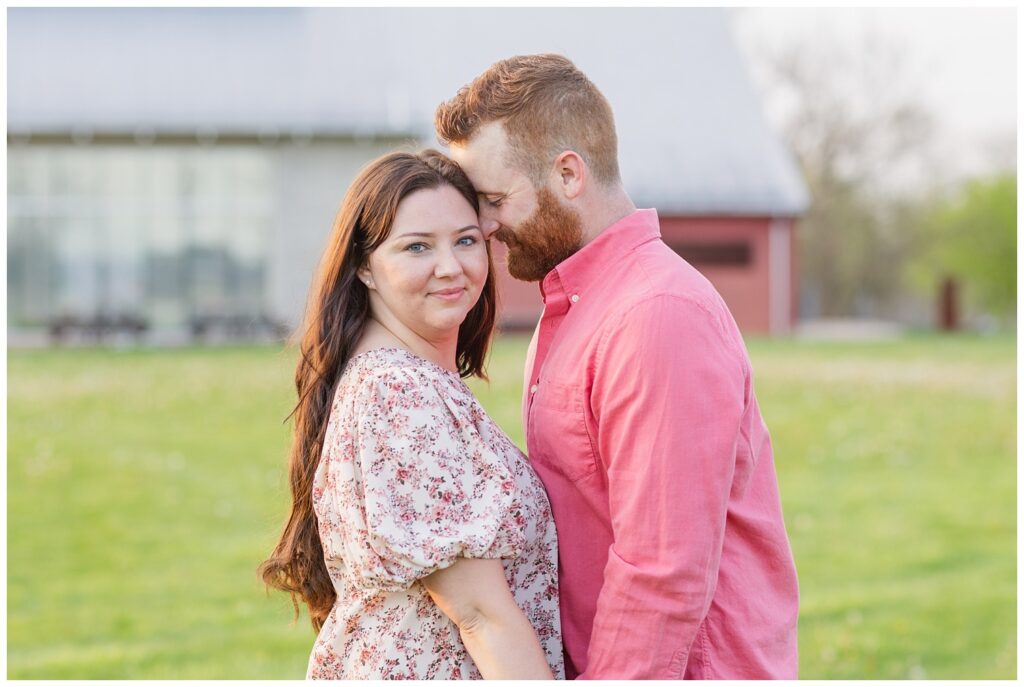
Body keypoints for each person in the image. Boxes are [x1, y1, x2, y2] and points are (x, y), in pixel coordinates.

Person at [435, 54, 800, 679]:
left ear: (569, 173)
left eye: (495, 200)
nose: (487, 227)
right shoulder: (579, 306)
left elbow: (661, 572)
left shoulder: (657, 314)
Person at [258, 150, 563, 680]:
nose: (452, 266)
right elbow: (481, 615)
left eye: (466, 240)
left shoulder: (404, 380)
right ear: (363, 267)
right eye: (417, 247)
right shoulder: (396, 393)